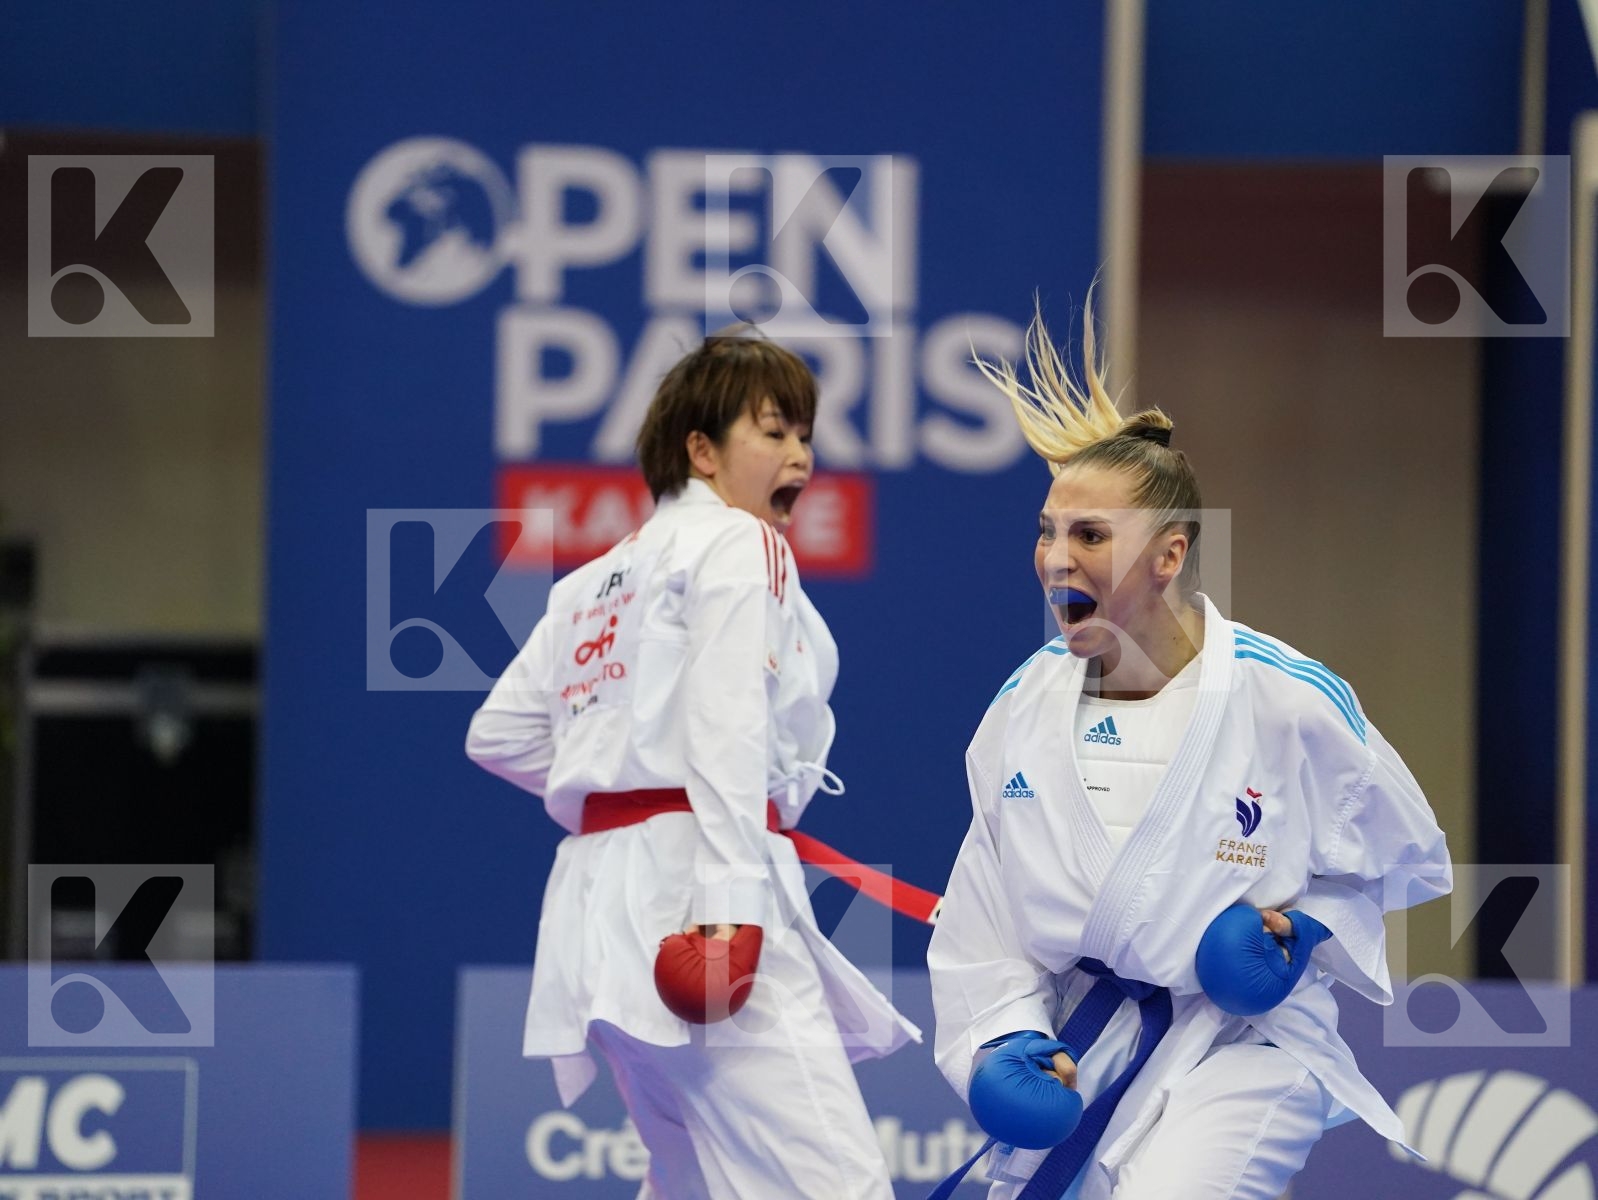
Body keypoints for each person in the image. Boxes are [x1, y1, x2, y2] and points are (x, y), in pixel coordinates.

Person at [926, 300, 1453, 1200]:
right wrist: (1004, 1036)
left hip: (1244, 1048)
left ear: (1169, 554)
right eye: (1047, 531)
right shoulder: (1021, 709)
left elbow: (1401, 857)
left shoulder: (1286, 699)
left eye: (1089, 535)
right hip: (1081, 1044)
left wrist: (1307, 926)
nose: (1055, 558)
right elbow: (982, 910)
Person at [466, 327, 917, 1200]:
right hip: (698, 901)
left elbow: (500, 735)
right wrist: (728, 904)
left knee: (690, 1184)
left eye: (804, 435)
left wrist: (619, 775)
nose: (800, 457)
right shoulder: (738, 545)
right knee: (835, 1185)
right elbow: (724, 727)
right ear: (701, 451)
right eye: (773, 432)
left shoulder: (590, 581)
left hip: (601, 910)